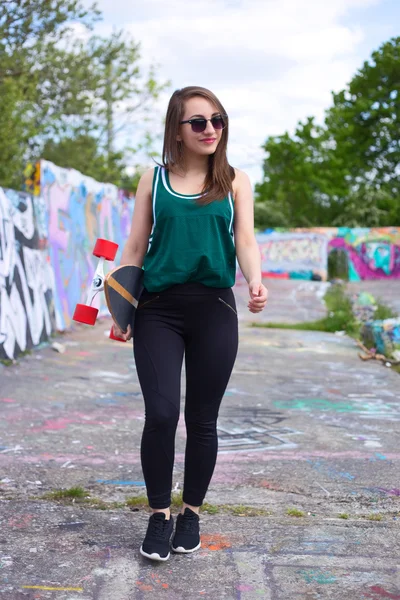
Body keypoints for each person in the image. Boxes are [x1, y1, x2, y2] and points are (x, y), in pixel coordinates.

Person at [114, 86, 268, 562]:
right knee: (161, 415)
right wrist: (121, 308)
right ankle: (159, 515)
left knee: (202, 420)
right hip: (158, 308)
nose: (210, 130)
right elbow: (136, 246)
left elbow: (245, 237)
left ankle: (191, 513)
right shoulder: (152, 179)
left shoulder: (235, 180)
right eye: (198, 122)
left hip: (215, 309)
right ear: (176, 131)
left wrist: (255, 282)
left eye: (217, 120)